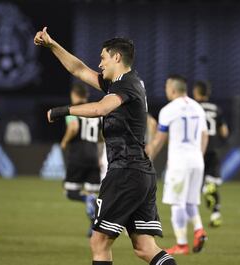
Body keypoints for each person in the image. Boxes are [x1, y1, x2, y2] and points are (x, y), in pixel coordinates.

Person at [34, 27, 177, 265]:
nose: (99, 64)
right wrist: (52, 45)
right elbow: (78, 69)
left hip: (125, 171)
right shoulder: (123, 83)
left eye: (102, 58)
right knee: (144, 247)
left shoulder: (126, 85)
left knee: (99, 243)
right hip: (139, 171)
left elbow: (101, 108)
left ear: (117, 57)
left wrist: (62, 111)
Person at [147, 75, 209, 255]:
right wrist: (199, 156)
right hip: (197, 160)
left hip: (179, 162)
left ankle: (181, 244)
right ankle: (199, 230)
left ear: (173, 89)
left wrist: (147, 156)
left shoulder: (169, 110)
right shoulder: (197, 107)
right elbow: (205, 135)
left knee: (177, 202)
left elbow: (159, 139)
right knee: (190, 201)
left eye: (166, 86)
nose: (165, 89)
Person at [61, 83, 102, 237]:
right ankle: (94, 226)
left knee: (69, 192)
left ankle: (86, 199)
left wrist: (64, 141)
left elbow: (73, 127)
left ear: (74, 94)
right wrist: (98, 157)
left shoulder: (73, 109)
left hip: (78, 155)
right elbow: (100, 138)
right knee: (94, 194)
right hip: (93, 156)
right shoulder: (94, 111)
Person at [193, 81, 229, 227]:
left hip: (198, 149)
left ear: (196, 92)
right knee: (213, 183)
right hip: (214, 149)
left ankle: (205, 189)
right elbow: (224, 132)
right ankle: (215, 215)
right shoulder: (216, 109)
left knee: (196, 185)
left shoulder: (193, 107)